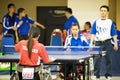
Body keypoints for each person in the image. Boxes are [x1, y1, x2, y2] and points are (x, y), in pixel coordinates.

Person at [90, 5, 118, 80]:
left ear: (107, 12)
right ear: (100, 12)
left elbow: (114, 33)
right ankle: (96, 75)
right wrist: (91, 43)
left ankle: (108, 75)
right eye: (101, 10)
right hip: (98, 43)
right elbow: (93, 33)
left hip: (107, 43)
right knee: (97, 60)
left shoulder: (110, 22)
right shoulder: (96, 22)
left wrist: (115, 43)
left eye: (104, 11)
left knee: (108, 60)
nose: (103, 12)